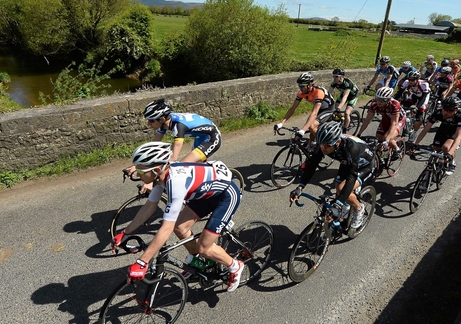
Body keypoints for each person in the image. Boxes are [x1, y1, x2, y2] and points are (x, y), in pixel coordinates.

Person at [112, 142, 245, 292]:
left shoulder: (176, 182)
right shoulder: (160, 177)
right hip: (205, 195)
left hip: (226, 196)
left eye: (141, 171)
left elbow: (166, 228)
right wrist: (125, 233)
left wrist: (143, 261)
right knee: (180, 228)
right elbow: (149, 207)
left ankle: (235, 265)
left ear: (156, 169)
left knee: (204, 247)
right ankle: (198, 263)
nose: (137, 174)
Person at [289, 122, 376, 229]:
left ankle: (359, 208)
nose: (323, 148)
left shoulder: (351, 149)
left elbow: (351, 177)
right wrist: (300, 187)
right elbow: (312, 165)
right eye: (320, 145)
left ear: (337, 142)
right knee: (338, 188)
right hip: (346, 161)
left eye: (327, 146)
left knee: (342, 190)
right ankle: (345, 208)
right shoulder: (324, 144)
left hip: (365, 165)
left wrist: (338, 204)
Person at [125, 98, 223, 192]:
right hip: (201, 138)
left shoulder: (178, 126)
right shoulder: (164, 123)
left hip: (211, 139)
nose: (148, 124)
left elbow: (173, 158)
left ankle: (212, 185)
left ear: (162, 119)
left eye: (151, 120)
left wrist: (151, 179)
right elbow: (153, 150)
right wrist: (138, 166)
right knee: (191, 168)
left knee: (181, 167)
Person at [410, 97, 461, 176]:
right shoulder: (438, 112)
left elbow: (458, 137)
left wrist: (449, 154)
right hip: (445, 126)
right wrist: (415, 144)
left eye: (449, 111)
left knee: (446, 147)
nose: (445, 113)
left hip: (456, 130)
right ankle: (434, 168)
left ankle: (451, 163)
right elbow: (425, 129)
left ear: (456, 110)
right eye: (444, 109)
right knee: (436, 148)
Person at [275, 72, 334, 147]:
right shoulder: (301, 92)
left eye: (302, 86)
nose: (300, 88)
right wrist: (281, 123)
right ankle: (311, 146)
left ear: (310, 85)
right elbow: (293, 108)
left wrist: (303, 130)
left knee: (312, 126)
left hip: (328, 109)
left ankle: (326, 145)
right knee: (311, 129)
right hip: (319, 108)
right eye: (299, 85)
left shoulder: (318, 92)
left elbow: (314, 113)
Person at [357, 87, 406, 154]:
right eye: (378, 99)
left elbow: (394, 123)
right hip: (386, 119)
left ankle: (397, 150)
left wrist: (387, 140)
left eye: (383, 100)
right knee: (378, 139)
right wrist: (359, 134)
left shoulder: (395, 104)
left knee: (387, 138)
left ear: (388, 100)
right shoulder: (374, 104)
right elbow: (367, 120)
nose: (379, 102)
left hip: (398, 121)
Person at [394, 71, 430, 142]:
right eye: (409, 79)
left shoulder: (424, 84)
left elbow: (423, 98)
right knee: (403, 107)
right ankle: (407, 122)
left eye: (412, 80)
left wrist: (417, 108)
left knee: (419, 114)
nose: (410, 81)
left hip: (423, 97)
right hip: (414, 95)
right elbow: (399, 93)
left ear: (417, 79)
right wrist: (393, 101)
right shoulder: (406, 82)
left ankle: (415, 132)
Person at [328, 68, 360, 133]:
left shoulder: (347, 83)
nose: (334, 78)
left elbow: (345, 97)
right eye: (333, 76)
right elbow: (329, 94)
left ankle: (345, 130)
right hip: (344, 93)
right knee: (334, 108)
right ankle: (342, 119)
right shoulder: (334, 83)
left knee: (347, 112)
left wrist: (339, 108)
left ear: (341, 77)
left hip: (353, 96)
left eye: (336, 76)